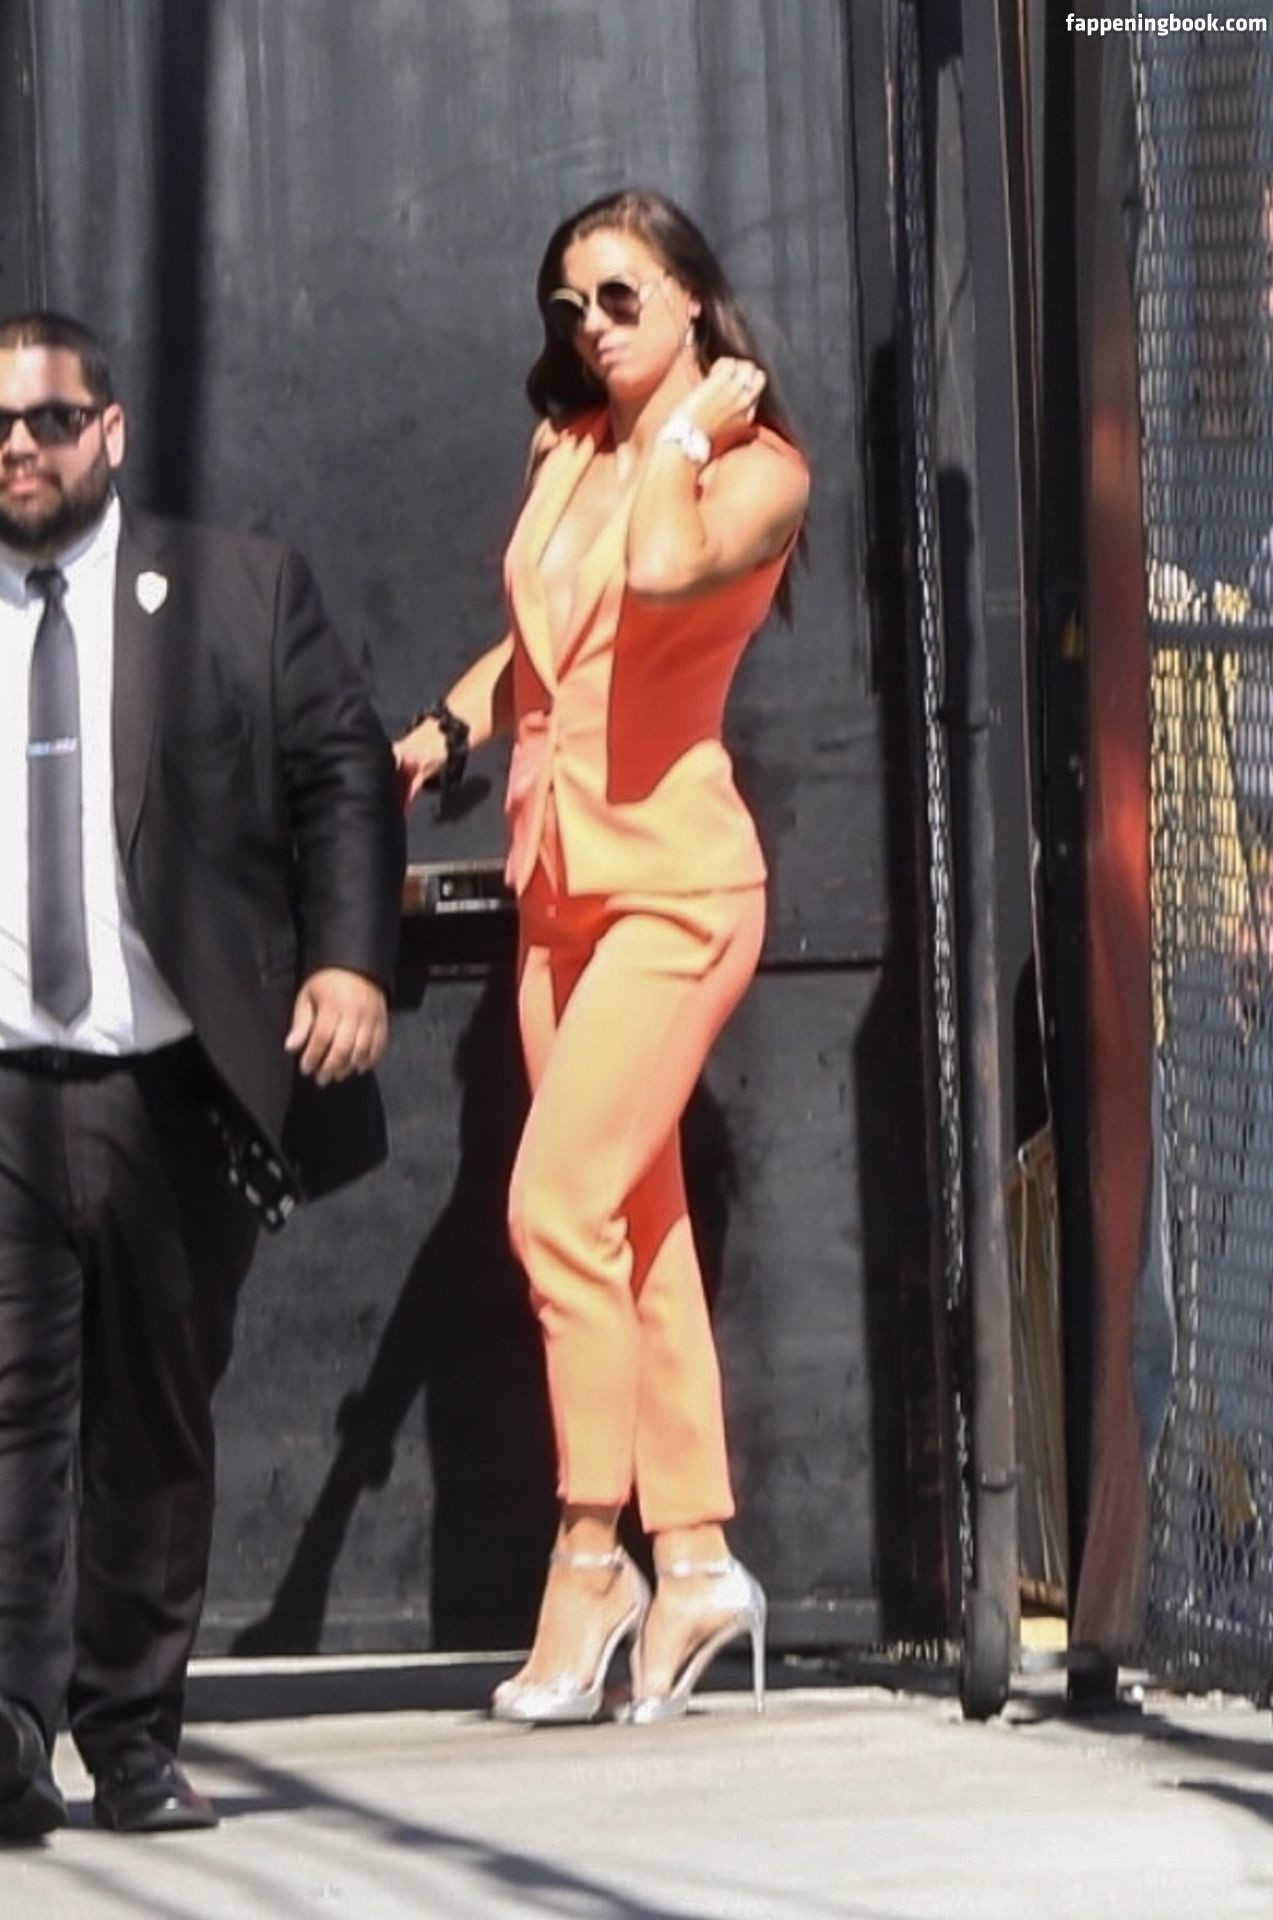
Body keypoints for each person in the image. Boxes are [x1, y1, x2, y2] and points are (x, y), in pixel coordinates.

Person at [396, 188, 809, 1724]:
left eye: (622, 297)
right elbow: (547, 642)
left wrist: (688, 434)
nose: (591, 328)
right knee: (636, 1228)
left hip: (678, 888)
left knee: (555, 1207)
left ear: (693, 299)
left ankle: (592, 1553)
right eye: (570, 306)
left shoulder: (757, 474)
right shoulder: (565, 453)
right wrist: (441, 732)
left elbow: (657, 577)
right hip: (556, 887)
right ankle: (693, 1557)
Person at [0, 311, 404, 1839]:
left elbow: (343, 772)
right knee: (10, 1414)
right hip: (3, 1083)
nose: (20, 446)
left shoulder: (239, 587)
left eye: (50, 419)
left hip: (169, 1081)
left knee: (152, 1424)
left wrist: (349, 960)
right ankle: (11, 1726)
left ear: (109, 431)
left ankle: (131, 1738)